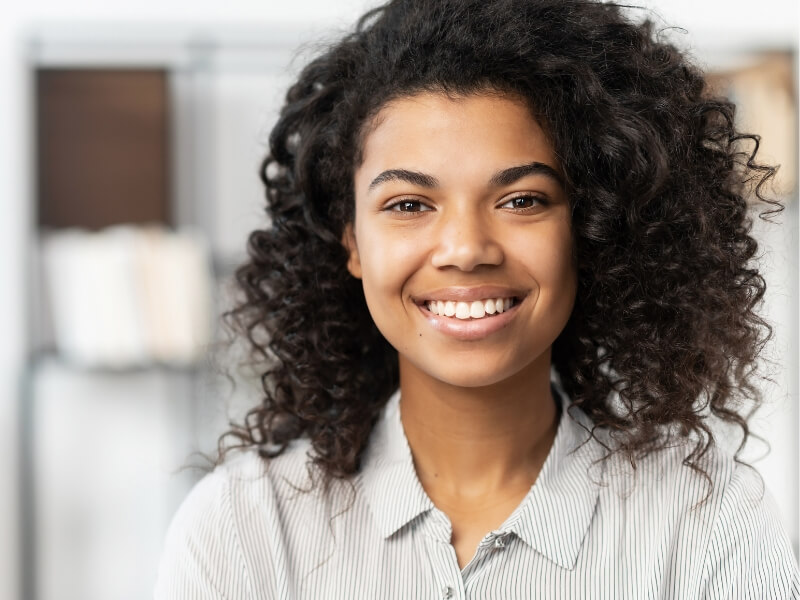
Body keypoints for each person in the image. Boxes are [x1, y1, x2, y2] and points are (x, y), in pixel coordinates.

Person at [154, 0, 800, 597]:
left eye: (522, 200)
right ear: (351, 240)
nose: (466, 249)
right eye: (409, 204)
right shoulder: (243, 530)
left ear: (591, 227)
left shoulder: (706, 522)